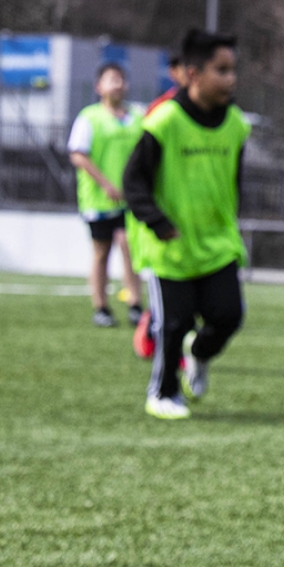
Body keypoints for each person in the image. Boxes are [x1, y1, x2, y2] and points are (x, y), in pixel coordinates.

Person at [123, 30, 249, 419]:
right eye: (221, 71)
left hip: (217, 243)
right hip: (170, 244)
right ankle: (162, 393)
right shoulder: (164, 121)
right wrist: (157, 221)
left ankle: (199, 353)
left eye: (233, 70)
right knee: (173, 323)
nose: (230, 79)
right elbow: (133, 181)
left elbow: (233, 182)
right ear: (192, 74)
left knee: (228, 316)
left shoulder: (237, 125)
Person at [68, 62, 144, 328]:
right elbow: (78, 155)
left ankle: (135, 304)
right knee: (102, 251)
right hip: (98, 199)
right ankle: (101, 307)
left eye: (121, 79)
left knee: (129, 245)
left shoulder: (137, 117)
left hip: (130, 199)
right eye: (112, 79)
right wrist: (106, 184)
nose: (118, 85)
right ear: (99, 86)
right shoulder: (89, 118)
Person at [129, 50, 187, 360]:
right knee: (171, 286)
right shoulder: (162, 110)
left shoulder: (220, 113)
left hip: (198, 217)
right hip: (166, 215)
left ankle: (170, 337)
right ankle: (157, 330)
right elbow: (141, 171)